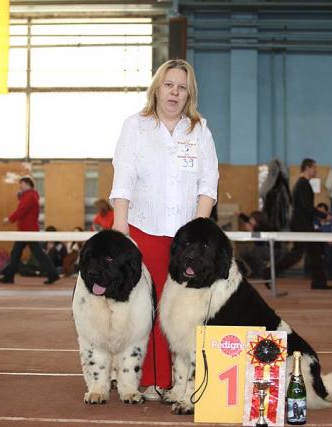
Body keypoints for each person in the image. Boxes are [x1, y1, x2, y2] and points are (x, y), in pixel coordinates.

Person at [109, 59, 219, 399]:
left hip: (185, 238)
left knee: (182, 310)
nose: (174, 92)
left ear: (189, 94)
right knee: (145, 310)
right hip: (144, 231)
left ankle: (182, 381)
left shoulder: (200, 130)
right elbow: (123, 177)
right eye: (169, 84)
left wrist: (199, 232)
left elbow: (209, 182)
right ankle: (148, 379)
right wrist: (119, 227)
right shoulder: (136, 126)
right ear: (157, 88)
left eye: (181, 87)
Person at [273, 158, 332, 290]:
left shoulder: (302, 184)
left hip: (304, 223)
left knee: (314, 252)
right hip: (302, 225)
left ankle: (319, 282)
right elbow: (307, 207)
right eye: (314, 168)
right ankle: (270, 271)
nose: (316, 170)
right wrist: (324, 215)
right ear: (307, 168)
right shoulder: (303, 184)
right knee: (297, 254)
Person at [0, 177, 60, 285]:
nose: (20, 187)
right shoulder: (30, 195)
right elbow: (24, 207)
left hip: (27, 231)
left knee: (33, 254)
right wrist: (20, 196)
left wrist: (9, 219)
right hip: (27, 230)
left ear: (27, 184)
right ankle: (9, 276)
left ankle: (52, 274)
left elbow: (21, 210)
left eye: (21, 184)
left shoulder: (30, 196)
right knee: (18, 253)